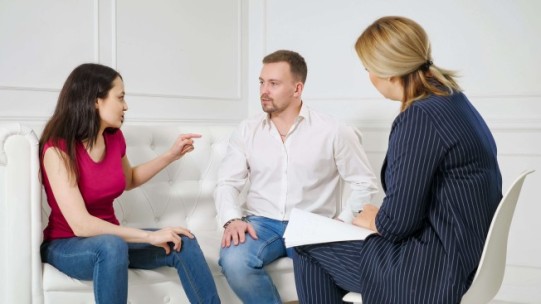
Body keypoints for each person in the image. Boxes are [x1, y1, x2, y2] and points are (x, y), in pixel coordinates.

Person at [292, 16, 503, 304]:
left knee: (306, 247)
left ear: (388, 72)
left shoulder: (420, 117)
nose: (369, 77)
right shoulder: (455, 101)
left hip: (433, 270)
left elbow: (396, 225)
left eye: (368, 69)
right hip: (466, 258)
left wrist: (375, 219)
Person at [39, 63, 220, 304]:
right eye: (120, 97)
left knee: (182, 241)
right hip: (67, 245)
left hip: (111, 241)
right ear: (96, 100)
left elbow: (129, 179)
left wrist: (171, 155)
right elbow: (81, 225)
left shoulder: (113, 138)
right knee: (112, 246)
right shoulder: (58, 148)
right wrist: (148, 237)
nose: (126, 106)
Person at [214, 49, 378, 303]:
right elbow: (227, 182)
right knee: (234, 260)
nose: (263, 90)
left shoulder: (333, 130)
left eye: (274, 84)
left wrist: (342, 221)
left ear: (297, 89)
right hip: (261, 223)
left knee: (351, 271)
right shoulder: (247, 130)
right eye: (261, 82)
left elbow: (363, 183)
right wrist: (231, 219)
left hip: (312, 224)